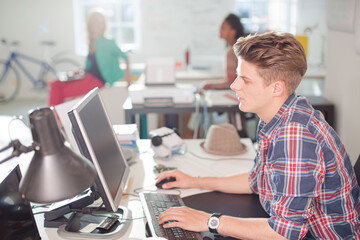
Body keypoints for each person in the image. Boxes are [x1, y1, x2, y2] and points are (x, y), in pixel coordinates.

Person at [157, 32, 360, 239]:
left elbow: (285, 232)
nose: (234, 85)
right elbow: (257, 182)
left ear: (276, 88)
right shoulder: (275, 115)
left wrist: (209, 221)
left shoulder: (295, 135)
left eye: (245, 79)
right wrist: (196, 181)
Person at [48, 9, 131, 106]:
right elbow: (90, 66)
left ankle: (54, 119)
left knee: (61, 92)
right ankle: (56, 118)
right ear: (90, 25)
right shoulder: (92, 43)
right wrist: (78, 71)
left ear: (104, 25)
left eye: (100, 22)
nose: (98, 25)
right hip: (87, 77)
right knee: (55, 84)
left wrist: (128, 79)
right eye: (95, 22)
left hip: (96, 81)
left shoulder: (108, 42)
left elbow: (125, 57)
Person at [201, 13, 246, 90]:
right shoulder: (238, 49)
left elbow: (231, 83)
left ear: (233, 32)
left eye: (223, 28)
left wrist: (208, 85)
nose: (220, 30)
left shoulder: (232, 52)